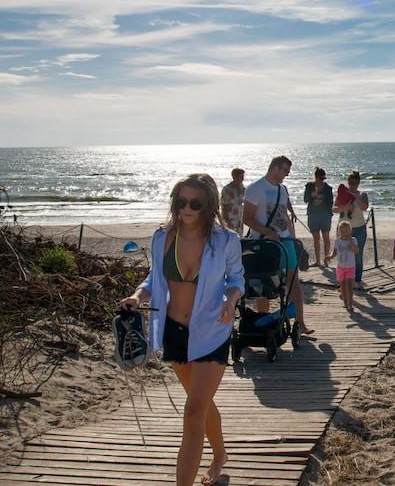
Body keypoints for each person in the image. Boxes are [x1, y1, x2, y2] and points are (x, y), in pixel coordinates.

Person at [119, 174, 243, 486]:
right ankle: (220, 455)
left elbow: (236, 280)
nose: (186, 208)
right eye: (180, 200)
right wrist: (137, 296)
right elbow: (153, 279)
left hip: (212, 331)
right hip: (174, 330)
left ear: (209, 205)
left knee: (192, 413)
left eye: (195, 203)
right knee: (199, 402)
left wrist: (231, 301)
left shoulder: (226, 240)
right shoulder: (163, 237)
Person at [243, 156, 312, 335]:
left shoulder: (283, 189)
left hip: (286, 241)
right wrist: (268, 232)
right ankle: (263, 320)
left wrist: (295, 240)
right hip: (264, 243)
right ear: (275, 168)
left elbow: (285, 216)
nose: (286, 175)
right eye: (284, 171)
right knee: (263, 283)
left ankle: (300, 323)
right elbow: (247, 218)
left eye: (288, 172)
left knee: (293, 282)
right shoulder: (255, 188)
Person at [333, 170, 370, 289]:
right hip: (343, 229)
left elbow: (364, 207)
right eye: (350, 182)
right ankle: (343, 282)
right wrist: (345, 206)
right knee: (342, 255)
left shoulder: (362, 194)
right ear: (348, 182)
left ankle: (357, 281)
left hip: (359, 229)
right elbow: (333, 209)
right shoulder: (342, 194)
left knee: (357, 256)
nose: (352, 185)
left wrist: (355, 195)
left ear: (358, 183)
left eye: (355, 183)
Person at [303, 167, 334, 267]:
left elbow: (331, 202)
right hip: (313, 215)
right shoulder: (309, 186)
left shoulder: (328, 188)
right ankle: (317, 261)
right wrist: (312, 195)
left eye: (323, 179)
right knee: (316, 238)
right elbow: (305, 200)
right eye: (320, 179)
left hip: (325, 216)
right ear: (315, 177)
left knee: (326, 237)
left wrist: (329, 214)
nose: (321, 181)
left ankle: (326, 260)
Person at [330, 220, 358, 312]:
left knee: (349, 285)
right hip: (340, 267)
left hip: (350, 266)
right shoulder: (337, 241)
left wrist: (350, 241)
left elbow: (356, 251)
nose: (344, 233)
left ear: (350, 232)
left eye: (346, 231)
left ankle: (350, 304)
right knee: (342, 286)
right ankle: (345, 302)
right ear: (339, 232)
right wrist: (329, 257)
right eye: (342, 231)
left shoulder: (353, 240)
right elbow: (334, 253)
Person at [219, 168, 245, 235]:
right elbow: (223, 206)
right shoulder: (227, 189)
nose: (242, 179)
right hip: (230, 219)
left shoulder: (243, 188)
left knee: (239, 241)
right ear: (234, 177)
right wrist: (226, 222)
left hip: (239, 221)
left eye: (243, 177)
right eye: (241, 177)